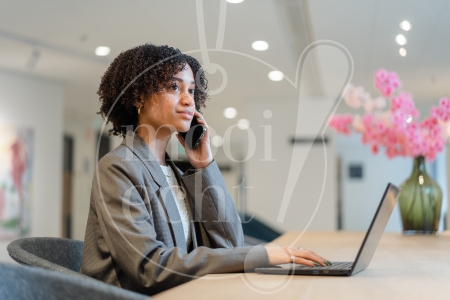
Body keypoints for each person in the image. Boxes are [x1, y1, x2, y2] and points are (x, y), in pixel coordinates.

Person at [80, 44, 330, 296]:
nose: (189, 99)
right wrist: (260, 254)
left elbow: (230, 244)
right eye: (174, 87)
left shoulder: (176, 174)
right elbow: (150, 267)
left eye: (191, 90)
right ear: (138, 96)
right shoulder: (118, 167)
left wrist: (204, 165)